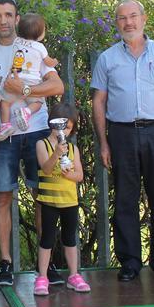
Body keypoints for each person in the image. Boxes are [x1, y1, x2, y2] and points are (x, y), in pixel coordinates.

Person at [91, 0, 154, 282]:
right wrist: (104, 142)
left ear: (144, 19)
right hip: (121, 134)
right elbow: (99, 102)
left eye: (133, 16)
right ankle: (130, 263)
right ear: (116, 23)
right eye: (122, 18)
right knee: (124, 200)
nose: (128, 22)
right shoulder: (107, 59)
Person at [0, 0, 64, 286]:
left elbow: (57, 85)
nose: (3, 20)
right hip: (2, 134)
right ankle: (5, 263)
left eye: (8, 15)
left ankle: (46, 264)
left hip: (36, 131)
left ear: (17, 19)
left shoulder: (33, 47)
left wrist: (25, 89)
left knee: (42, 197)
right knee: (3, 196)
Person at [33, 103, 90, 295]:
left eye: (68, 127)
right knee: (47, 238)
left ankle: (74, 275)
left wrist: (69, 174)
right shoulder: (42, 144)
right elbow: (46, 169)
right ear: (51, 123)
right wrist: (56, 153)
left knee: (70, 238)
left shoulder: (73, 149)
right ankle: (42, 277)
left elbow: (79, 176)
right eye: (60, 126)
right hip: (49, 201)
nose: (63, 131)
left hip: (70, 201)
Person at [0, 13, 59, 141]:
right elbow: (48, 62)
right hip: (31, 83)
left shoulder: (16, 41)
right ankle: (26, 111)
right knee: (38, 102)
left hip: (13, 80)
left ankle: (5, 126)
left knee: (5, 103)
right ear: (40, 34)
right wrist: (55, 61)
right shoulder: (40, 47)